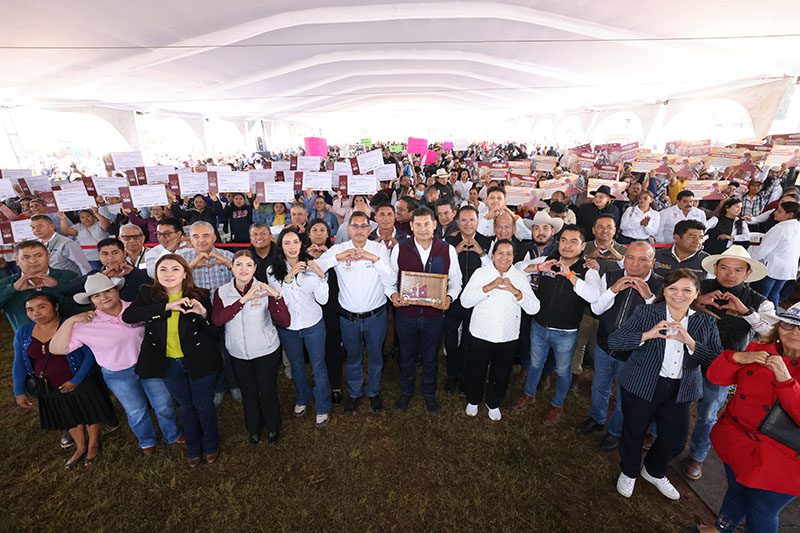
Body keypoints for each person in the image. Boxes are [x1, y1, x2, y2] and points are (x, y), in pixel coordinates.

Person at [609, 269, 722, 500]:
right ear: (664, 290)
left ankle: (653, 470)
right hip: (641, 383)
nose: (679, 294)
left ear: (696, 293)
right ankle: (629, 471)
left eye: (686, 290)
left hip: (681, 389)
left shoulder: (706, 321)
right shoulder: (647, 312)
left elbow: (717, 360)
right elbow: (615, 341)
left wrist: (690, 342)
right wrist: (646, 335)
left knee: (675, 440)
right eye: (673, 288)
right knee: (634, 432)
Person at [50, 273, 183, 456]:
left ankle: (172, 434)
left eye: (108, 291)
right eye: (96, 295)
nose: (104, 297)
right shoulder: (85, 324)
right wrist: (71, 321)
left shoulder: (136, 308)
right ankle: (146, 440)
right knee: (135, 410)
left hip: (149, 365)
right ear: (91, 301)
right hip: (119, 374)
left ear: (117, 290)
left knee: (163, 403)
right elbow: (56, 349)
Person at [696, 303, 800, 532]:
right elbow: (715, 377)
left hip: (784, 459)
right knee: (736, 489)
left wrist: (786, 381)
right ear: (779, 327)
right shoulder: (759, 349)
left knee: (762, 509)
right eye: (789, 324)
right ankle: (722, 528)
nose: (795, 332)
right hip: (738, 442)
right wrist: (737, 358)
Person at [683, 245, 775, 480]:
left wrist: (745, 311)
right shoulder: (697, 286)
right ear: (715, 268)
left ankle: (697, 455)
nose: (730, 274)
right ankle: (656, 434)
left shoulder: (759, 302)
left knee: (708, 413)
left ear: (747, 273)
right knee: (673, 399)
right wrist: (696, 301)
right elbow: (670, 307)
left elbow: (771, 333)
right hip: (688, 356)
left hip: (725, 365)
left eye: (737, 270)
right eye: (724, 268)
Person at [122, 255, 221, 467]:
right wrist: (167, 307)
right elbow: (128, 317)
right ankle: (193, 446)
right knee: (185, 406)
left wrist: (204, 314)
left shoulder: (200, 295)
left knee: (204, 405)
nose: (169, 274)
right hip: (169, 364)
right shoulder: (147, 294)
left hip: (200, 360)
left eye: (175, 269)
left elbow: (214, 331)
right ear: (156, 274)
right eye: (163, 269)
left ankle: (211, 444)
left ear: (185, 273)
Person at [576, 242, 663, 451]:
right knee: (599, 386)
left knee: (625, 397)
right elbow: (597, 310)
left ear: (653, 262)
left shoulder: (661, 285)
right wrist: (613, 290)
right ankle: (597, 418)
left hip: (635, 353)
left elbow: (663, 322)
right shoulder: (611, 276)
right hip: (605, 346)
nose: (634, 264)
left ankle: (615, 432)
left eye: (642, 259)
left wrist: (649, 298)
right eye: (630, 257)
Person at [12, 293, 115, 468]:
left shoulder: (73, 324)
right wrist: (19, 391)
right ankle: (81, 446)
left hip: (79, 380)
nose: (36, 313)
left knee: (89, 411)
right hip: (49, 386)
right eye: (30, 309)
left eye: (42, 307)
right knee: (67, 415)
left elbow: (90, 354)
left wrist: (77, 379)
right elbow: (19, 362)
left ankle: (93, 443)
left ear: (56, 307)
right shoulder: (23, 332)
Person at [513, 225, 602, 425]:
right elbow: (517, 269)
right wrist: (538, 268)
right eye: (563, 240)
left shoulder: (588, 269)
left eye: (573, 241)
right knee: (535, 364)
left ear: (582, 246)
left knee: (562, 370)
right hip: (539, 326)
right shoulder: (548, 260)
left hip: (566, 332)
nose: (567, 245)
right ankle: (529, 393)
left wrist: (570, 275)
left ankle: (557, 404)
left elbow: (594, 296)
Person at [313, 211, 396, 414]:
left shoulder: (378, 249)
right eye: (355, 226)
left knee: (376, 356)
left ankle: (373, 391)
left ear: (369, 229)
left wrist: (373, 259)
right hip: (349, 318)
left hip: (375, 316)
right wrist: (337, 258)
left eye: (363, 226)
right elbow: (317, 266)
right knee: (353, 357)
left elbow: (391, 279)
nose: (359, 230)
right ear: (348, 229)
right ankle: (355, 391)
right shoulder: (339, 249)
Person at [390, 207, 462, 415]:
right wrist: (393, 295)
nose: (423, 229)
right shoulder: (400, 248)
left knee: (431, 357)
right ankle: (406, 391)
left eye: (427, 224)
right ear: (411, 227)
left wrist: (449, 298)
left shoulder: (447, 249)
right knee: (407, 357)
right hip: (406, 315)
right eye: (418, 224)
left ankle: (429, 393)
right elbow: (390, 280)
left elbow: (456, 281)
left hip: (433, 317)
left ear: (434, 225)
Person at [212, 250, 288, 445]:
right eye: (239, 264)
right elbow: (218, 320)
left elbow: (284, 321)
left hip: (265, 350)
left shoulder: (264, 289)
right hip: (238, 352)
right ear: (232, 267)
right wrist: (242, 301)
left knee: (267, 389)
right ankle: (253, 428)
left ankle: (273, 426)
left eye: (248, 265)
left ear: (255, 268)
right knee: (248, 391)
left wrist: (277, 296)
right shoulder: (222, 292)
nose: (243, 269)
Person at [460, 239, 539, 420]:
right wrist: (488, 287)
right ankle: (473, 399)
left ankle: (493, 402)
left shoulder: (519, 277)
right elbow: (465, 301)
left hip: (507, 335)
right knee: (476, 368)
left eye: (508, 254)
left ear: (514, 256)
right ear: (493, 255)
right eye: (500, 253)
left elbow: (534, 308)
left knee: (501, 371)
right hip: (481, 332)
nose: (504, 257)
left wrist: (516, 291)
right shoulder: (481, 273)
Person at [268, 227, 332, 428]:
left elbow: (323, 299)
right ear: (281, 247)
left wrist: (321, 276)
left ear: (301, 244)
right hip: (289, 328)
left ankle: (322, 405)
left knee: (318, 365)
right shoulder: (272, 271)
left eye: (295, 242)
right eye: (287, 243)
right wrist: (289, 277)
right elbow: (280, 299)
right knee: (296, 365)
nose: (292, 247)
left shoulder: (312, 265)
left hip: (313, 325)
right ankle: (302, 397)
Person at [443, 205, 491, 393]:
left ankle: (464, 377)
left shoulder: (486, 241)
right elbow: (441, 268)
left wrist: (481, 252)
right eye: (464, 220)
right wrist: (455, 252)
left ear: (478, 221)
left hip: (475, 301)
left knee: (468, 341)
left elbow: (492, 271)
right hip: (452, 299)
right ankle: (451, 375)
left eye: (472, 220)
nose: (468, 224)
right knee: (450, 338)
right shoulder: (449, 241)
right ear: (458, 222)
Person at [0, 241, 79, 332]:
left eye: (38, 255)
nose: (33, 261)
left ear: (48, 256)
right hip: (27, 338)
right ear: (17, 261)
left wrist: (58, 285)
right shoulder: (5, 283)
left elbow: (82, 306)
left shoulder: (69, 276)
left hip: (70, 335)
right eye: (26, 257)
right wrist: (12, 289)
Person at [306, 220, 345, 404]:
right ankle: (319, 380)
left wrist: (327, 257)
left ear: (329, 234)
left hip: (331, 310)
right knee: (315, 349)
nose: (319, 233)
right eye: (314, 230)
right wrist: (309, 257)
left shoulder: (336, 253)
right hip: (310, 310)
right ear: (309, 234)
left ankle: (335, 384)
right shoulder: (301, 254)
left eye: (323, 230)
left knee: (333, 346)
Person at [62, 238, 151, 302]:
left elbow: (155, 287)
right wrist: (100, 277)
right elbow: (67, 290)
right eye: (105, 254)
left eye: (115, 253)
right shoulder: (96, 274)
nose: (110, 258)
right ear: (99, 256)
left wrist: (134, 272)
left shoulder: (137, 272)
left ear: (124, 253)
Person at [750, 202, 800, 311]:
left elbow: (762, 251)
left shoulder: (780, 228)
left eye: (780, 211)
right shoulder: (797, 226)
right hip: (787, 268)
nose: (775, 213)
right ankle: (774, 317)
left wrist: (749, 259)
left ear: (790, 215)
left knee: (761, 297)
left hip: (773, 267)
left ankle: (757, 318)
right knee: (774, 294)